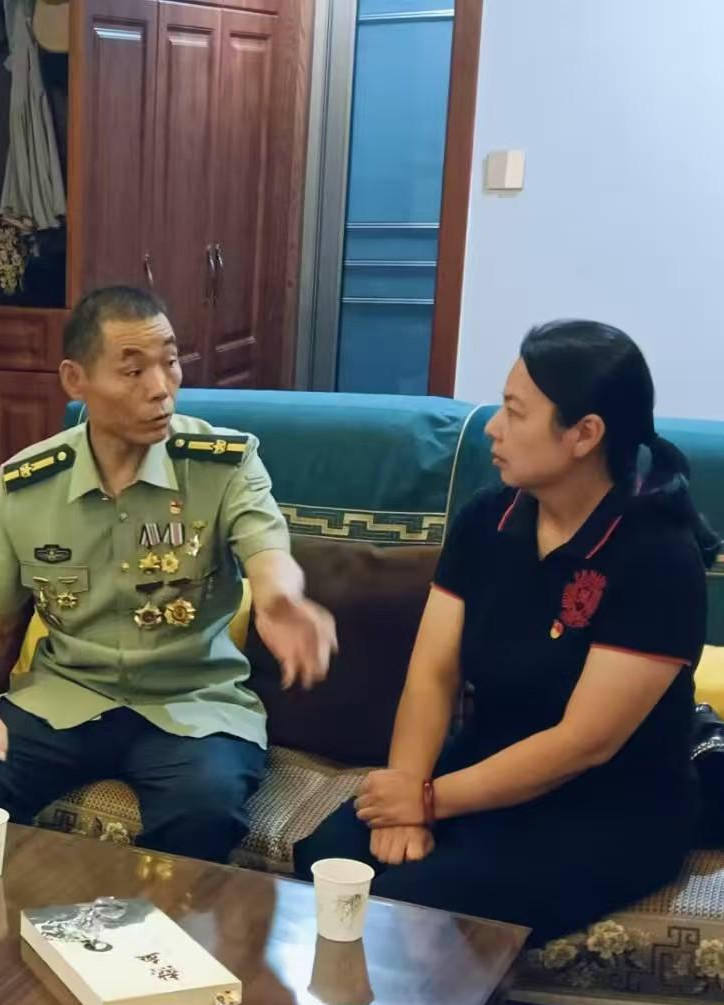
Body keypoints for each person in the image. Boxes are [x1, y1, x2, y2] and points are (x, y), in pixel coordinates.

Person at [296, 320, 718, 942]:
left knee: (411, 912)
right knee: (327, 861)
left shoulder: (657, 555)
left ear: (585, 434)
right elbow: (433, 673)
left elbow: (583, 743)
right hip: (482, 763)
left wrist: (431, 802)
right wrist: (408, 794)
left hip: (605, 809)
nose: (493, 427)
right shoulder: (487, 519)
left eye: (516, 413)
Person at [0, 286, 337, 860]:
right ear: (75, 380)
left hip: (191, 701)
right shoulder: (24, 485)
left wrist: (279, 599)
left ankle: (157, 925)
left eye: (170, 362)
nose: (160, 387)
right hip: (65, 695)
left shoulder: (223, 463)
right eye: (133, 370)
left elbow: (267, 552)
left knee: (205, 807)